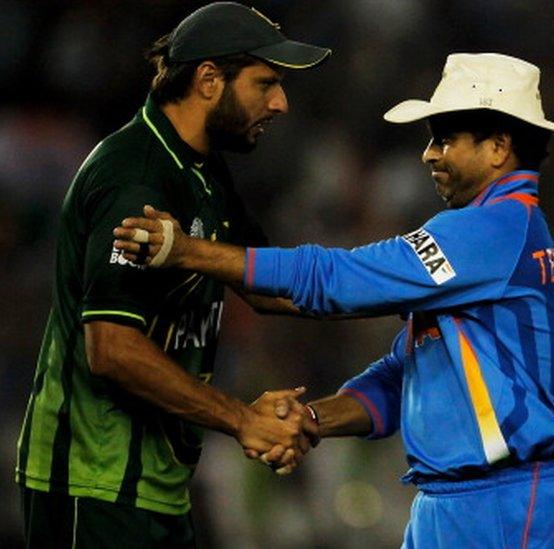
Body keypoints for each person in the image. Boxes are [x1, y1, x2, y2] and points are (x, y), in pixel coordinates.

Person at [113, 53, 554, 547]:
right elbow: (404, 377)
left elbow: (338, 278)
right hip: (463, 502)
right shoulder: (493, 241)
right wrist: (312, 420)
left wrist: (188, 251)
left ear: (497, 147)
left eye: (444, 138)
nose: (429, 154)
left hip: (509, 505)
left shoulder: (491, 230)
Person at [15, 3, 330, 547]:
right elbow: (111, 348)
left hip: (155, 484)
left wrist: (408, 289)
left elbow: (269, 285)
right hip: (93, 480)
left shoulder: (203, 171)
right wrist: (241, 419)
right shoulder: (135, 177)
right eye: (266, 83)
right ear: (208, 79)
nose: (281, 102)